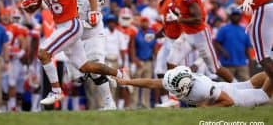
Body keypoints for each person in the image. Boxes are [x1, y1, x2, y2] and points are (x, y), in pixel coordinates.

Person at [21, 0, 126, 105]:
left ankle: (56, 91)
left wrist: (94, 11)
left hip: (71, 26)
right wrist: (29, 5)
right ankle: (119, 73)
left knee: (43, 53)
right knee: (85, 66)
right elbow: (35, 6)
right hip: (65, 27)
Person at [165, 0, 234, 82]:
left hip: (200, 34)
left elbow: (198, 19)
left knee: (215, 68)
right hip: (187, 34)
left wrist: (178, 19)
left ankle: (236, 85)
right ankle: (176, 94)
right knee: (171, 62)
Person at [69, 0, 116, 110]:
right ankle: (107, 74)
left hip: (93, 36)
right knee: (76, 77)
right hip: (77, 38)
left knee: (95, 71)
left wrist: (86, 19)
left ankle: (109, 103)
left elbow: (93, 22)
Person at [115, 66, 273, 107]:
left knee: (264, 95)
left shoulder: (201, 89)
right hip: (223, 87)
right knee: (249, 84)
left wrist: (206, 109)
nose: (168, 87)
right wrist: (128, 82)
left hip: (232, 97)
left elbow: (229, 101)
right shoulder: (178, 80)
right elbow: (151, 83)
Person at [214, 5, 253, 81]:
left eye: (237, 15)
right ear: (230, 16)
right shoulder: (224, 29)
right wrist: (223, 51)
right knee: (226, 86)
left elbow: (247, 47)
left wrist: (250, 61)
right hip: (227, 64)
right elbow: (216, 42)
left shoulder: (244, 29)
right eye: (234, 15)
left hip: (242, 64)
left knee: (246, 85)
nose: (236, 17)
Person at [130, 16, 157, 108]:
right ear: (140, 23)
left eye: (146, 22)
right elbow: (133, 47)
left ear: (148, 23)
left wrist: (155, 59)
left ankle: (145, 104)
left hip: (149, 61)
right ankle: (134, 104)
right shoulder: (137, 33)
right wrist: (134, 59)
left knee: (148, 84)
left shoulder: (152, 34)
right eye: (143, 22)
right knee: (136, 83)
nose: (144, 23)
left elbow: (154, 47)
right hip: (139, 61)